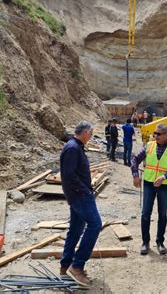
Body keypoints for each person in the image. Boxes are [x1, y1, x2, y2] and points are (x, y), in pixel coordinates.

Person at [59, 121, 102, 288]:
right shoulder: (72, 148)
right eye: (90, 134)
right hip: (80, 196)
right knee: (95, 225)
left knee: (76, 229)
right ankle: (77, 265)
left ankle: (65, 265)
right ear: (84, 132)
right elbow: (69, 175)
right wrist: (84, 191)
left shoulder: (75, 146)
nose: (90, 137)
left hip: (78, 195)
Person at [131, 123, 167, 255]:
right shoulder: (149, 146)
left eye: (158, 134)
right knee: (145, 213)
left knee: (162, 214)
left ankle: (160, 242)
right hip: (148, 184)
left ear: (166, 135)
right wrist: (135, 175)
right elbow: (135, 159)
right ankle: (145, 242)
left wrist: (164, 177)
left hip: (164, 186)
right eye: (155, 133)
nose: (155, 136)